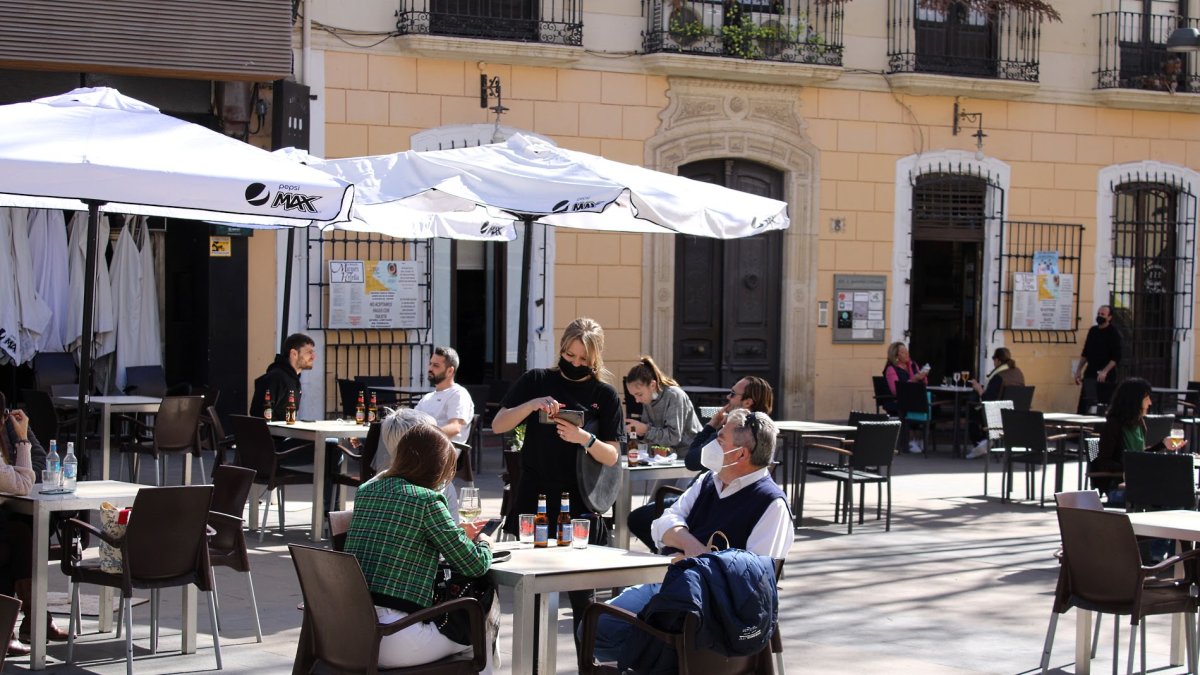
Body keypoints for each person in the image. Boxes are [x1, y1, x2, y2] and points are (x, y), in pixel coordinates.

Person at [586, 409, 793, 662]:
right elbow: (661, 524)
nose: (712, 443)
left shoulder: (771, 504)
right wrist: (695, 549)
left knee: (631, 638)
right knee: (595, 628)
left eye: (720, 440)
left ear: (740, 454)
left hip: (713, 611)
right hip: (668, 586)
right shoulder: (708, 481)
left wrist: (693, 563)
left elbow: (750, 583)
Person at [490, 316, 622, 644]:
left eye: (584, 360)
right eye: (570, 356)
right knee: (532, 594)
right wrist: (533, 404)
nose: (575, 364)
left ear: (596, 358)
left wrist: (583, 438)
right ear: (561, 349)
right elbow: (498, 424)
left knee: (583, 598)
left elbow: (613, 456)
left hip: (579, 502)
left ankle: (585, 667)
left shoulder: (604, 394)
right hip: (534, 497)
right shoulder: (536, 380)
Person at [343, 421, 495, 671]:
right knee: (481, 627)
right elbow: (474, 565)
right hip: (394, 636)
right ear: (437, 468)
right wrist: (485, 543)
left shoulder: (367, 490)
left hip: (351, 634)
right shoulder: (427, 500)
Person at [627, 375, 773, 552]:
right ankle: (677, 552)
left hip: (716, 500)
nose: (728, 397)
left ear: (748, 402)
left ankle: (673, 554)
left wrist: (712, 426)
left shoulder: (734, 432)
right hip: (709, 494)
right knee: (661, 519)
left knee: (641, 518)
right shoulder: (758, 430)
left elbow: (692, 460)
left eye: (733, 394)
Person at [0, 393, 61, 657]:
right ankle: (30, 620)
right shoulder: (11, 431)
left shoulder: (8, 430)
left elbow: (40, 461)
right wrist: (21, 439)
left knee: (21, 531)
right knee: (17, 537)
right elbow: (24, 483)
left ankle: (26, 622)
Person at [1089, 377, 1161, 502]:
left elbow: (1140, 456)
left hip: (1138, 480)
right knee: (1164, 494)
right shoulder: (1113, 425)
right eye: (1146, 398)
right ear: (1134, 401)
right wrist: (1129, 467)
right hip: (1118, 486)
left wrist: (1162, 444)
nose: (1150, 403)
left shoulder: (1139, 423)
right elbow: (1103, 462)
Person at [623, 356, 701, 459]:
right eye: (634, 396)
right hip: (664, 457)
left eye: (639, 394)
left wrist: (645, 430)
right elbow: (652, 436)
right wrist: (640, 433)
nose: (637, 400)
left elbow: (673, 437)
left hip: (689, 456)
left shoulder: (674, 395)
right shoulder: (648, 399)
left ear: (652, 385)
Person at [965, 347, 1026, 459]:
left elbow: (988, 400)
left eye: (993, 359)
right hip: (1017, 414)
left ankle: (980, 442)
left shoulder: (999, 376)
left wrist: (978, 388)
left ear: (997, 360)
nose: (993, 362)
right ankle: (987, 442)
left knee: (971, 408)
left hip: (997, 416)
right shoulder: (1018, 373)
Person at [415, 346, 474, 445]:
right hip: (422, 448)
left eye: (436, 366)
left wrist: (425, 437)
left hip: (442, 451)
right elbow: (413, 421)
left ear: (450, 371)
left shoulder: (458, 394)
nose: (430, 368)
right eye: (430, 364)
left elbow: (455, 427)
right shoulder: (428, 397)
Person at [249, 332, 316, 419]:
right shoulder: (276, 378)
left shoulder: (293, 379)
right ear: (294, 354)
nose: (313, 357)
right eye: (309, 352)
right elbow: (260, 414)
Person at [882, 341, 929, 453]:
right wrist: (915, 379)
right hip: (898, 400)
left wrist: (922, 376)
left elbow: (925, 384)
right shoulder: (891, 369)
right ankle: (911, 440)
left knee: (932, 407)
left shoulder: (913, 365)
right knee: (917, 406)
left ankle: (918, 438)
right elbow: (895, 390)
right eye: (903, 352)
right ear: (896, 356)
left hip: (914, 397)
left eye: (906, 351)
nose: (907, 354)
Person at [1075, 305, 1121, 414]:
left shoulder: (1113, 333)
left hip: (1106, 375)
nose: (1100, 316)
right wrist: (1078, 370)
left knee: (1103, 403)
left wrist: (1105, 371)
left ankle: (1099, 426)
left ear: (1109, 317)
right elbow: (1085, 352)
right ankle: (1081, 428)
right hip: (1091, 371)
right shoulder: (1093, 331)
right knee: (1087, 401)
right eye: (1099, 314)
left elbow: (1116, 356)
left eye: (1103, 314)